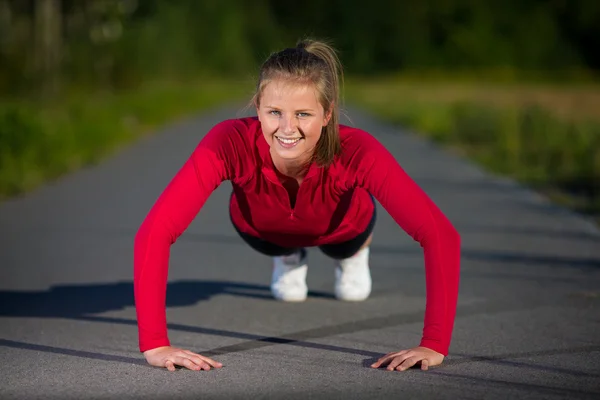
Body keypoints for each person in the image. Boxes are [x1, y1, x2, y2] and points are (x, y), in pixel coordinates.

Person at [134, 39, 461, 373]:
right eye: (274, 112)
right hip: (263, 229)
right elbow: (156, 231)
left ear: (327, 113)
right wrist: (156, 344)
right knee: (280, 254)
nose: (287, 129)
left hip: (342, 229)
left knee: (350, 280)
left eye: (303, 114)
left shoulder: (357, 149)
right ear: (258, 106)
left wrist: (433, 344)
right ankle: (288, 255)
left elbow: (440, 235)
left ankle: (355, 252)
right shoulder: (227, 141)